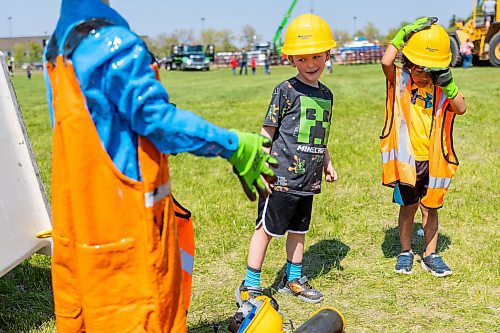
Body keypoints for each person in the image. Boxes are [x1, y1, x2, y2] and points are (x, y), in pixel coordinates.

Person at [43, 0, 278, 331]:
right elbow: (156, 120)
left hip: (82, 224)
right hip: (129, 231)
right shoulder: (109, 41)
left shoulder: (59, 41)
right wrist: (234, 145)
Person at [236, 13, 337, 305]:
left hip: (308, 179)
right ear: (291, 59)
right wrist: (260, 165)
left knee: (299, 230)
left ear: (327, 54)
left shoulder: (327, 95)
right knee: (265, 229)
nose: (311, 64)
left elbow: (320, 135)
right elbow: (267, 131)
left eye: (316, 56)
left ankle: (292, 279)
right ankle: (251, 283)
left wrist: (327, 162)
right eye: (302, 59)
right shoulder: (285, 91)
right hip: (280, 178)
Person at [380, 17, 467, 277]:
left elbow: (461, 108)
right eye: (416, 66)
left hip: (434, 162)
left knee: (431, 209)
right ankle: (405, 252)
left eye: (427, 69)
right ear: (408, 63)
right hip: (407, 161)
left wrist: (449, 84)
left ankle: (430, 254)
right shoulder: (400, 81)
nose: (420, 72)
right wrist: (403, 34)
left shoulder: (442, 89)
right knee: (408, 208)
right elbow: (386, 61)